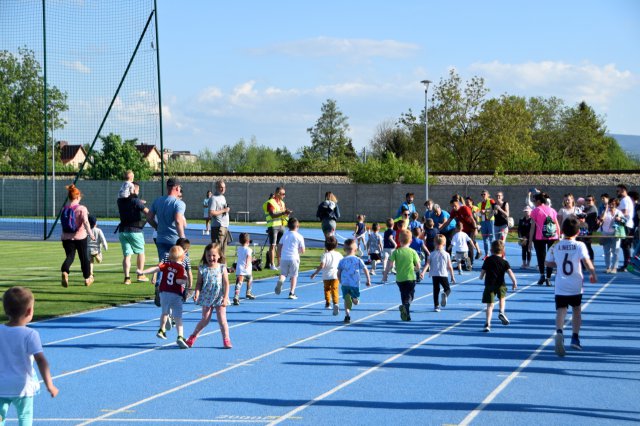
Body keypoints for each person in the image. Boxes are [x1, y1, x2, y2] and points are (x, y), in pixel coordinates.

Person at [0, 287, 59, 424]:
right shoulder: (30, 335)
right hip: (23, 386)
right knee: (25, 416)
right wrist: (49, 385)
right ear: (29, 311)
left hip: (1, 384)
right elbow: (41, 361)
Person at [545, 218, 597, 356]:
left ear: (561, 230)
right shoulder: (580, 245)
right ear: (578, 231)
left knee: (561, 310)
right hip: (575, 283)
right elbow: (586, 261)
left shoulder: (556, 245)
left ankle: (559, 332)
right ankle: (575, 337)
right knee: (576, 310)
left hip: (561, 284)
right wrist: (593, 273)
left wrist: (559, 262)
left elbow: (547, 263)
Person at [138, 245, 189, 349]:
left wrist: (142, 272)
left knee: (164, 312)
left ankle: (161, 329)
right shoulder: (181, 268)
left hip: (164, 293)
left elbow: (155, 269)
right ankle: (180, 336)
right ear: (183, 258)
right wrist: (185, 279)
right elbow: (179, 281)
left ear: (170, 257)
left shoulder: (166, 264)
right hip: (175, 294)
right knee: (178, 317)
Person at [185, 243, 231, 349]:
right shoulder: (203, 269)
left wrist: (225, 297)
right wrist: (196, 293)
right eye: (209, 255)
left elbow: (226, 283)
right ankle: (193, 336)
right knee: (205, 319)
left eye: (214, 255)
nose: (211, 258)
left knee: (222, 320)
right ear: (205, 256)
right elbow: (199, 283)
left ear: (219, 255)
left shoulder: (222, 268)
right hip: (207, 296)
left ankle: (226, 339)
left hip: (219, 296)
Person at [60, 184, 96, 287]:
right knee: (84, 258)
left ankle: (65, 271)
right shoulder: (82, 208)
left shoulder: (64, 209)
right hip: (80, 237)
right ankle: (87, 278)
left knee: (70, 256)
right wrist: (91, 233)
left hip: (66, 237)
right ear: (77, 197)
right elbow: (85, 222)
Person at [479, 240, 517, 332]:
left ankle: (487, 323)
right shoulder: (504, 262)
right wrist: (514, 282)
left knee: (490, 305)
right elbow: (510, 272)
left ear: (491, 250)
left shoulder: (488, 260)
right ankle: (501, 311)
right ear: (503, 251)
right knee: (502, 298)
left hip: (489, 284)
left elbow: (483, 271)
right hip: (501, 284)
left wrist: (481, 277)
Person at [383, 229, 421, 321]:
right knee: (410, 295)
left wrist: (385, 274)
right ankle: (406, 307)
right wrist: (416, 270)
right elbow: (418, 266)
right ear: (411, 241)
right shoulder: (413, 252)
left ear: (399, 241)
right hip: (410, 278)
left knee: (403, 294)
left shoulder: (396, 252)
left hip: (400, 279)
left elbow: (390, 264)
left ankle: (406, 313)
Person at [117, 181, 149, 285]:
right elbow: (147, 212)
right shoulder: (135, 201)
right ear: (134, 189)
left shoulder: (120, 201)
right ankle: (140, 274)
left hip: (122, 231)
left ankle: (127, 278)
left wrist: (139, 201)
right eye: (137, 190)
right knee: (140, 252)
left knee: (127, 255)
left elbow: (128, 201)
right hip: (135, 230)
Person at [146, 177, 186, 263]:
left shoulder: (157, 201)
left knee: (163, 265)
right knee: (180, 266)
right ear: (177, 188)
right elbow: (178, 221)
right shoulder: (179, 203)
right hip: (175, 239)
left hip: (160, 239)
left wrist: (157, 227)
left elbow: (149, 218)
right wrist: (182, 238)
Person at [528, 192, 560, 286]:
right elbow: (556, 224)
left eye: (534, 200)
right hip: (552, 236)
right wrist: (558, 236)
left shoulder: (535, 211)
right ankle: (548, 278)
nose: (533, 202)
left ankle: (542, 275)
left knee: (541, 257)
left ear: (538, 201)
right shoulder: (552, 210)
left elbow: (532, 227)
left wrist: (530, 241)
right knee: (550, 257)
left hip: (539, 237)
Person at [337, 238, 371, 324]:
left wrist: (340, 280)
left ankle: (347, 315)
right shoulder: (358, 260)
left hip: (345, 283)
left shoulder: (342, 260)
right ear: (356, 250)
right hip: (354, 283)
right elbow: (365, 269)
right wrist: (368, 280)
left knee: (345, 300)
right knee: (355, 301)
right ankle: (354, 299)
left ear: (344, 250)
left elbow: (339, 272)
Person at [310, 236, 343, 315]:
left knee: (327, 289)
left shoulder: (325, 255)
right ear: (336, 245)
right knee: (335, 289)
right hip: (335, 276)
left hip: (326, 276)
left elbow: (322, 265)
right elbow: (342, 264)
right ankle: (336, 303)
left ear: (325, 246)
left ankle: (328, 303)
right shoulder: (338, 254)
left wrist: (315, 273)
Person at [440, 197, 479, 263]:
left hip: (471, 229)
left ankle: (470, 263)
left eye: (455, 206)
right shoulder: (453, 211)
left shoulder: (465, 208)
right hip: (463, 230)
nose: (454, 207)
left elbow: (472, 220)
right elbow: (448, 222)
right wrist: (440, 228)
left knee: (469, 244)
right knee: (462, 245)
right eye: (452, 206)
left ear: (458, 204)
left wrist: (475, 229)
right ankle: (463, 262)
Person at [275, 218, 305, 299]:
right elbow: (302, 250)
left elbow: (279, 246)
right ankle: (292, 292)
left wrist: (279, 256)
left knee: (283, 274)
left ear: (288, 226)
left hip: (284, 258)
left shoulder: (285, 235)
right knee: (294, 275)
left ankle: (281, 280)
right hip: (294, 258)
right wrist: (298, 250)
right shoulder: (299, 236)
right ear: (297, 226)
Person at [425, 234, 456, 312]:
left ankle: (436, 306)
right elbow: (449, 266)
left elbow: (427, 264)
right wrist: (452, 276)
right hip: (443, 274)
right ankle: (445, 294)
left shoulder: (431, 254)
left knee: (436, 290)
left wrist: (423, 272)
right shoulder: (446, 254)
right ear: (444, 243)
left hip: (434, 274)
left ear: (434, 243)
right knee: (448, 289)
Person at [265, 187, 292, 270]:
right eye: (283, 194)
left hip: (281, 225)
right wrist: (283, 212)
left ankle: (280, 264)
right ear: (277, 193)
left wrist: (287, 214)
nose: (284, 195)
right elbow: (272, 214)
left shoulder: (282, 203)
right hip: (273, 226)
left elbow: (282, 214)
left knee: (280, 246)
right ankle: (272, 264)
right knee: (273, 245)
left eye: (284, 194)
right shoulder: (271, 202)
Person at [600, 198, 624, 273]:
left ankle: (614, 267)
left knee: (616, 251)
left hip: (615, 234)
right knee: (606, 251)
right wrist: (606, 209)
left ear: (616, 204)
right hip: (605, 233)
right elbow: (601, 219)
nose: (611, 205)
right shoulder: (605, 211)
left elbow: (623, 221)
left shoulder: (619, 212)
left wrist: (619, 219)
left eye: (613, 203)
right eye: (610, 203)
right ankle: (608, 267)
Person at [208, 181, 231, 258]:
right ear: (217, 187)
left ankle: (223, 268)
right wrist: (224, 210)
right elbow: (211, 212)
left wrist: (225, 210)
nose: (223, 189)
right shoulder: (213, 198)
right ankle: (217, 268)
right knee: (217, 251)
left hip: (224, 227)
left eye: (224, 187)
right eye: (221, 187)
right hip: (218, 228)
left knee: (223, 252)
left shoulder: (223, 197)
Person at [232, 233, 256, 305]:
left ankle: (236, 296)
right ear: (248, 241)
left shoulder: (239, 249)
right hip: (247, 268)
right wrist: (248, 263)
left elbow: (242, 256)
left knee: (239, 282)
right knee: (250, 279)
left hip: (239, 268)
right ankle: (248, 292)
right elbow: (248, 257)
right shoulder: (249, 249)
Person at [616, 184, 635, 271]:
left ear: (623, 190)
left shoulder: (625, 200)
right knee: (625, 246)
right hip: (627, 224)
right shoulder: (626, 200)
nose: (617, 193)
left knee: (625, 246)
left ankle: (627, 265)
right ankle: (627, 264)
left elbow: (625, 213)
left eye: (618, 191)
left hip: (626, 225)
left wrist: (618, 216)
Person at [578, 195, 599, 261]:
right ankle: (585, 261)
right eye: (586, 200)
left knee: (587, 246)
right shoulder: (587, 208)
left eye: (589, 200)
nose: (588, 201)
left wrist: (577, 211)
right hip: (586, 230)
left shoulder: (593, 208)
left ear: (593, 201)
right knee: (584, 245)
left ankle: (591, 260)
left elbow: (583, 215)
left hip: (590, 230)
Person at [477, 190, 495, 257]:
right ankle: (487, 254)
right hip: (483, 222)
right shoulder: (479, 204)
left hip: (490, 221)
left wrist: (486, 211)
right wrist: (479, 213)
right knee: (485, 239)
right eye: (482, 194)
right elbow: (478, 214)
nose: (483, 196)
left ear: (488, 195)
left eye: (484, 194)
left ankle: (493, 254)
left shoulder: (491, 201)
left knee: (491, 238)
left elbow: (494, 209)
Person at [381, 218, 397, 282]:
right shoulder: (393, 232)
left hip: (385, 248)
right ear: (393, 225)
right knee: (392, 260)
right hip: (391, 248)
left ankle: (384, 269)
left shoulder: (385, 232)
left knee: (385, 259)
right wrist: (395, 244)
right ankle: (391, 269)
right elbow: (390, 237)